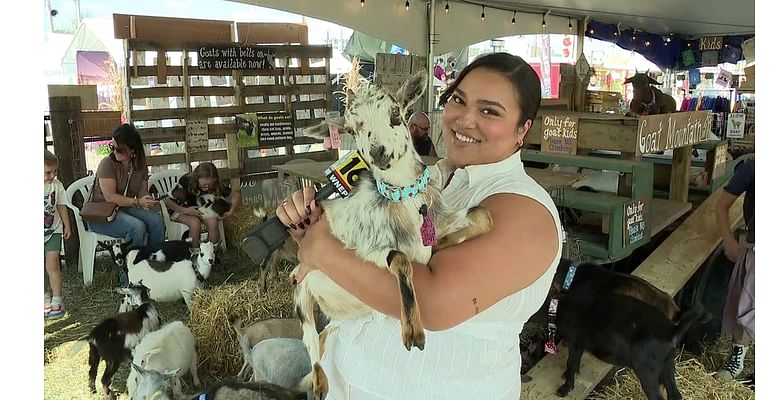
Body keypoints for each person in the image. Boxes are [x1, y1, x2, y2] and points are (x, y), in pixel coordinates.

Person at [277, 52, 562, 399]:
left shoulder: (525, 209)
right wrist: (315, 226)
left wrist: (321, 249)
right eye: (459, 100)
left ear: (523, 129)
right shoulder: (427, 179)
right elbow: (362, 256)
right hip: (347, 377)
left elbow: (432, 305)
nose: (465, 119)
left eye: (490, 111)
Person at [87, 124, 164, 252]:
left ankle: (154, 262)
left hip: (123, 209)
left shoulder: (140, 165)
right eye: (113, 147)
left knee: (157, 221)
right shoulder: (107, 163)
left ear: (132, 149)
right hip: (101, 214)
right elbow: (110, 197)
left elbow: (142, 192)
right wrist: (137, 202)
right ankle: (130, 269)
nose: (114, 151)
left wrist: (147, 200)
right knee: (137, 227)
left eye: (120, 149)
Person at [714, 158, 755, 382]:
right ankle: (737, 358)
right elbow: (722, 205)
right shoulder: (753, 166)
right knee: (746, 304)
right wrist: (728, 240)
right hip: (758, 247)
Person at [163, 161, 241, 252]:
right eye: (204, 185)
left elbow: (236, 194)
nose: (207, 187)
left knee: (213, 221)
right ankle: (193, 254)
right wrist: (186, 210)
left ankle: (213, 252)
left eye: (210, 185)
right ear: (197, 178)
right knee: (195, 223)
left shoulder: (215, 185)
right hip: (180, 209)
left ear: (214, 180)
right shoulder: (186, 181)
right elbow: (167, 201)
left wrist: (232, 209)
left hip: (200, 210)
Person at [44, 150, 73, 319]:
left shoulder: (57, 185)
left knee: (53, 264)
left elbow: (61, 205)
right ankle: (44, 297)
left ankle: (57, 299)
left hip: (53, 230)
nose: (52, 175)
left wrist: (66, 224)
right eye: (48, 172)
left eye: (55, 171)